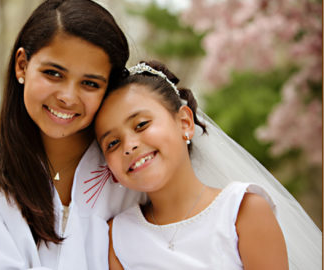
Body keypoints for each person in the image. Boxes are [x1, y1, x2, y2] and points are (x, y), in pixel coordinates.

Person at [0, 1, 143, 269]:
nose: (67, 97)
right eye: (53, 73)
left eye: (90, 83)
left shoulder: (133, 178)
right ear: (22, 65)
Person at [95, 60, 322, 270]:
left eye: (141, 124)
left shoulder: (242, 210)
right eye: (112, 143)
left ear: (185, 123)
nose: (129, 146)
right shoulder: (118, 235)